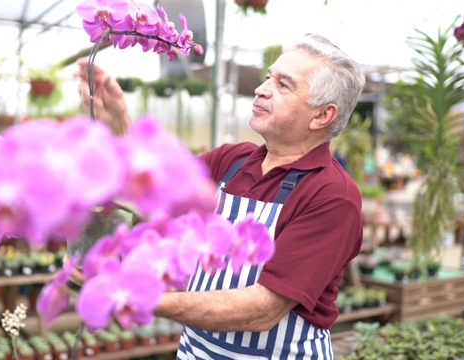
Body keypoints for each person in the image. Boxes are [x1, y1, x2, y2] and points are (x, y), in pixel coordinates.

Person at [75, 33, 365, 359]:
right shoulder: (232, 161)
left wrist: (133, 295)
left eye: (284, 84)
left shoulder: (331, 195)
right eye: (269, 76)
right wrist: (117, 122)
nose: (261, 88)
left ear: (322, 116)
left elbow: (263, 308)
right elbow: (150, 192)